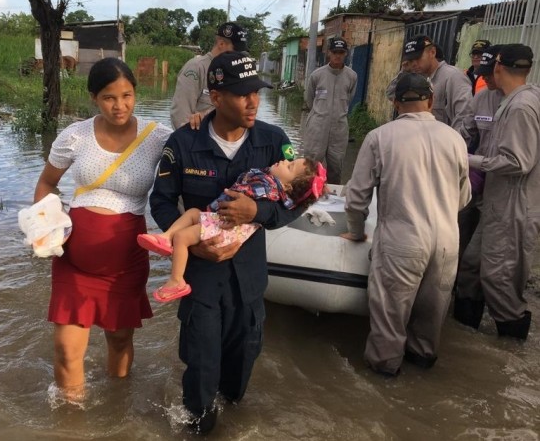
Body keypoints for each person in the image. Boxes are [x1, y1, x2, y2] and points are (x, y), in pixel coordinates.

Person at [149, 51, 303, 434]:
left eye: (256, 92)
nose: (253, 101)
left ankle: (232, 417)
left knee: (240, 368)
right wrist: (193, 244)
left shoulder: (274, 142)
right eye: (241, 93)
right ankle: (199, 424)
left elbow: (299, 200)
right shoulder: (184, 142)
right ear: (216, 98)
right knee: (201, 367)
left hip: (248, 278)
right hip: (200, 277)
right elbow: (162, 200)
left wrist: (258, 212)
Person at [31, 57, 172, 401]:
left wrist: (198, 121)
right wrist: (46, 228)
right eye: (109, 97)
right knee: (66, 350)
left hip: (126, 262)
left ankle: (117, 407)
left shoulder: (159, 138)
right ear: (94, 97)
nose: (119, 105)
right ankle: (71, 424)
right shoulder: (75, 136)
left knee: (120, 341)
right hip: (74, 261)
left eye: (127, 95)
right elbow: (47, 184)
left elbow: (197, 154)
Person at [341, 72, 471, 376]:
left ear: (395, 103)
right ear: (432, 101)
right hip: (447, 244)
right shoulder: (454, 138)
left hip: (402, 242)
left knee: (389, 324)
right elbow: (463, 198)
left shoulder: (380, 137)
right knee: (429, 326)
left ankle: (384, 385)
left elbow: (357, 198)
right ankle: (422, 369)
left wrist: (357, 232)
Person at [140, 157, 325, 302]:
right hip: (218, 219)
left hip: (225, 227)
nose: (284, 160)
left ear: (287, 186)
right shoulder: (269, 179)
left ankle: (177, 280)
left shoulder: (269, 188)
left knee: (182, 237)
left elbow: (285, 206)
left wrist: (255, 210)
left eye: (290, 166)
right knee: (192, 212)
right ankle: (165, 237)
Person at [455, 44, 540, 340]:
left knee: (500, 279)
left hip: (513, 206)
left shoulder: (521, 106)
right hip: (495, 200)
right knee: (470, 268)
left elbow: (519, 161)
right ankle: (465, 337)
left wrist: (468, 160)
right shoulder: (504, 101)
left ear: (500, 67)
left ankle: (511, 345)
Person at [453, 45, 504, 271]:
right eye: (481, 71)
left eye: (489, 72)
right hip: (475, 182)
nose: (484, 77)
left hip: (503, 189)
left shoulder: (525, 104)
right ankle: (455, 286)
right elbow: (467, 131)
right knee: (460, 234)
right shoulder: (482, 98)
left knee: (486, 254)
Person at [300, 36, 358, 185]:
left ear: (346, 54)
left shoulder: (352, 76)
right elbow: (310, 99)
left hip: (339, 129)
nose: (337, 55)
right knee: (310, 167)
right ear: (329, 53)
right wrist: (321, 114)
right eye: (335, 52)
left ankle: (332, 202)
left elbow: (349, 99)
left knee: (336, 169)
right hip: (317, 127)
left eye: (341, 52)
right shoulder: (317, 75)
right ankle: (306, 199)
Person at [170, 22, 249, 130]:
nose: (238, 56)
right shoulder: (196, 68)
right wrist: (191, 143)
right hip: (198, 141)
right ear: (221, 44)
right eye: (236, 51)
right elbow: (180, 116)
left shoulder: (235, 72)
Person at [402, 35, 473, 129]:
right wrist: (403, 71)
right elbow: (392, 96)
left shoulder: (453, 77)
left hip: (444, 141)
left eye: (418, 58)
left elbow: (465, 117)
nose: (414, 63)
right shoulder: (418, 78)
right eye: (410, 60)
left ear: (432, 52)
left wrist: (454, 142)